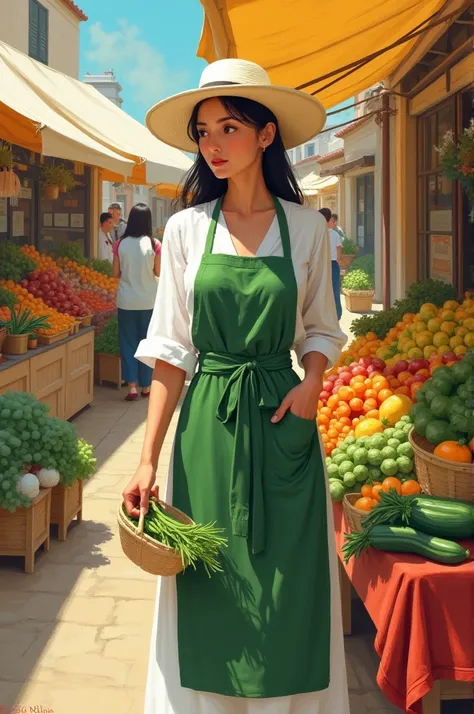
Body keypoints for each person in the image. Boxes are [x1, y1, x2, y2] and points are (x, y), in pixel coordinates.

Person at [125, 59, 349, 714]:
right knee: (210, 582)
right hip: (209, 430)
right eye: (203, 132)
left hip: (286, 423)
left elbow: (322, 329)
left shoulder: (307, 229)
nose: (213, 145)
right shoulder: (186, 230)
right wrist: (145, 459)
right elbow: (170, 351)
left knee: (287, 586)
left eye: (228, 127)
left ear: (266, 134)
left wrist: (311, 382)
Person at [112, 203, 161, 401]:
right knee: (147, 343)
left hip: (126, 301)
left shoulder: (120, 244)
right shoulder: (154, 244)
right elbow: (158, 272)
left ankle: (131, 387)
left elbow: (115, 273)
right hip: (149, 300)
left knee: (128, 342)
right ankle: (146, 386)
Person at [319, 208, 343, 320]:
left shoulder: (335, 234)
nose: (334, 223)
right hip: (321, 264)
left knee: (334, 290)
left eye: (334, 222)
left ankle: (337, 314)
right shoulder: (319, 233)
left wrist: (338, 259)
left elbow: (339, 248)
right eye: (332, 221)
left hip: (332, 264)